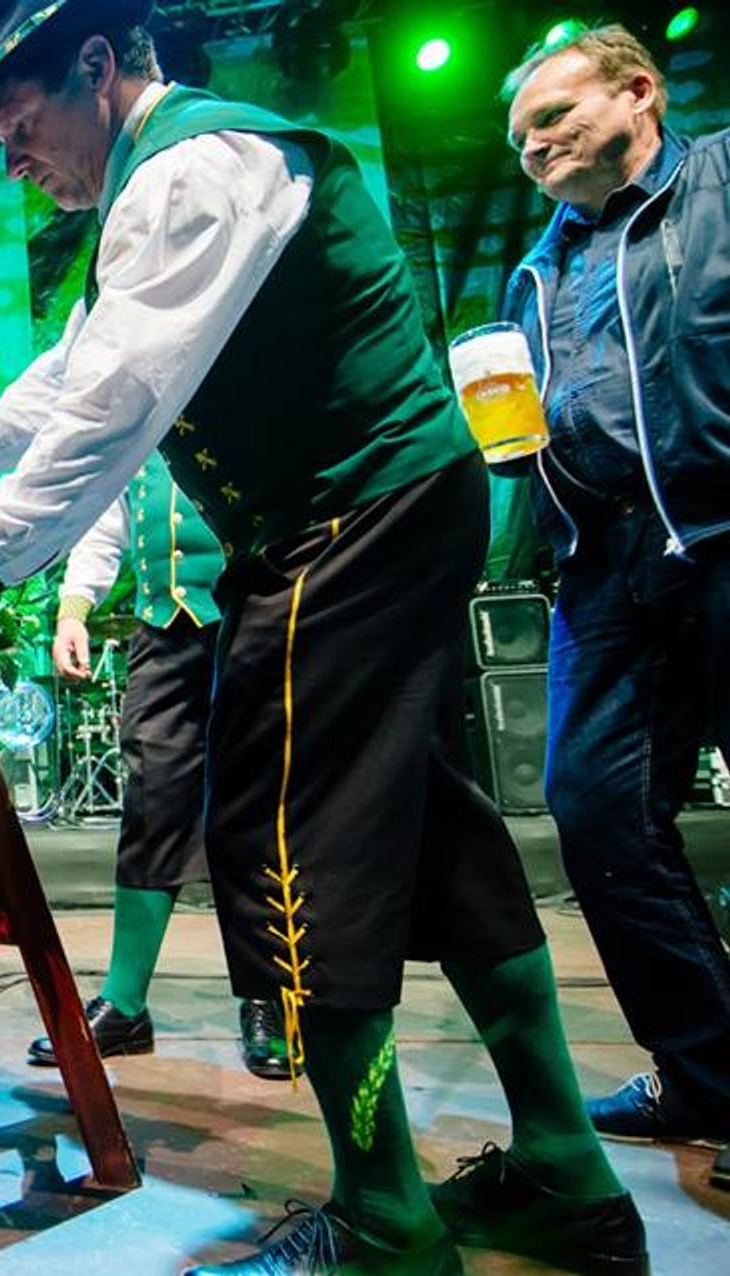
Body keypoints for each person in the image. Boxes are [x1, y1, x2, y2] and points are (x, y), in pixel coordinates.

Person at [0, 4, 643, 1272]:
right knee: (436, 834)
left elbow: (116, 408)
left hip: (346, 522)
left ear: (98, 67)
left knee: (291, 846)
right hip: (366, 515)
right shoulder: (157, 189)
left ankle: (383, 1222)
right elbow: (80, 365)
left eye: (19, 120)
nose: (10, 153)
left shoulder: (198, 168)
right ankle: (564, 1174)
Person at [499, 25, 730, 1182]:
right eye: (520, 137)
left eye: (553, 117)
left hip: (724, 533)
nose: (534, 147)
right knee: (591, 812)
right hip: (604, 560)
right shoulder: (535, 269)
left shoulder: (724, 181)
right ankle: (712, 1078)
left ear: (640, 90)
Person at [28, 453, 287, 1081]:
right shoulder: (139, 412)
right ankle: (125, 1004)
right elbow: (106, 522)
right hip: (164, 631)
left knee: (256, 811)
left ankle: (271, 1000)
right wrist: (73, 610)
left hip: (253, 617)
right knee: (150, 803)